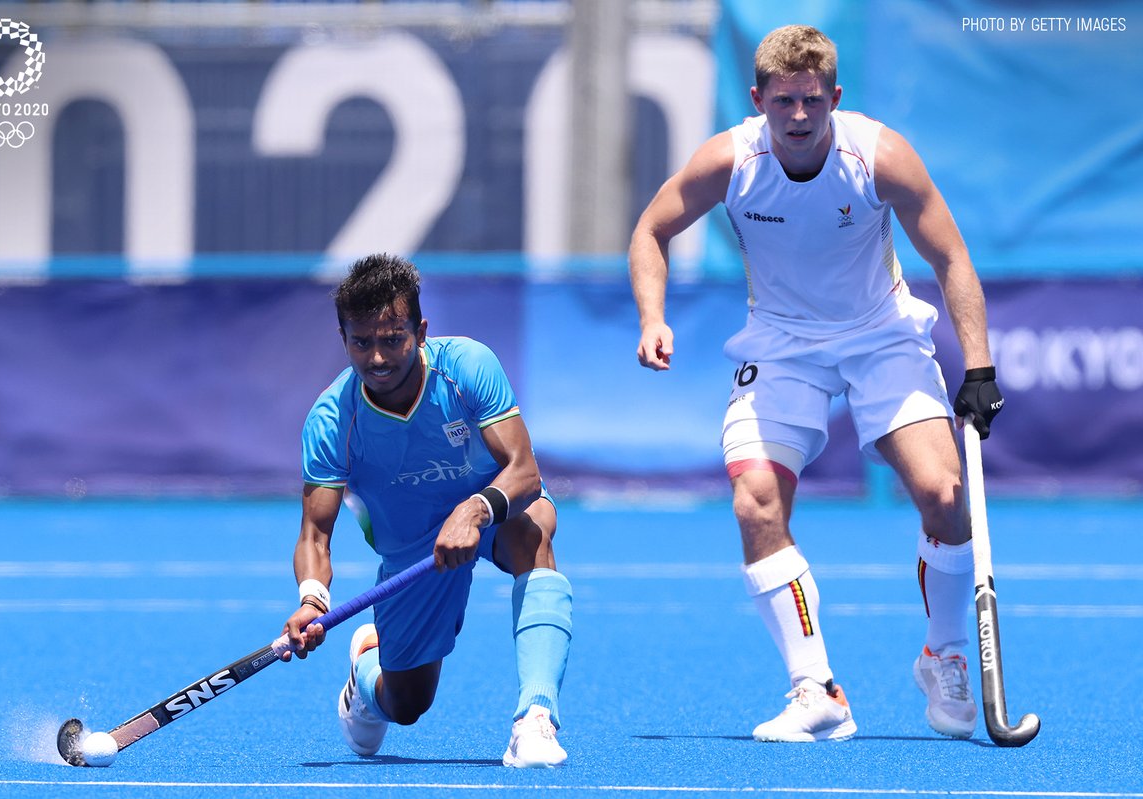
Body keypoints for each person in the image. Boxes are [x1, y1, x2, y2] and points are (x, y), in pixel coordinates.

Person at [628, 24, 1004, 742]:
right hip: (780, 342)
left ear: (834, 96)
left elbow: (951, 256)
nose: (798, 118)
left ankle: (946, 651)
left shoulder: (878, 156)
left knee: (945, 494)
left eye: (811, 101)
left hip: (880, 334)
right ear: (758, 99)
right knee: (755, 500)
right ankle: (817, 687)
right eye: (783, 103)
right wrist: (653, 317)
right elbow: (651, 229)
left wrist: (978, 367)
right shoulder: (730, 159)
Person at [278, 253, 572, 767]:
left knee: (535, 530)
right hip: (413, 554)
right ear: (342, 337)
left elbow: (524, 473)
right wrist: (313, 601)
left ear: (421, 330)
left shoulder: (466, 367)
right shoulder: (332, 419)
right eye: (361, 341)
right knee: (408, 703)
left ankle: (535, 720)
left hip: (490, 511)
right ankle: (366, 675)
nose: (377, 358)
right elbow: (315, 536)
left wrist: (476, 510)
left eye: (392, 339)